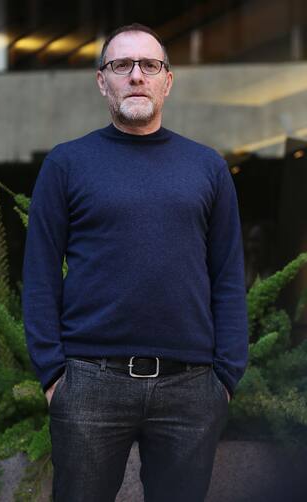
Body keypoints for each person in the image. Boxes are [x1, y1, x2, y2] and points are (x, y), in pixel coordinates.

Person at [22, 22, 248, 502]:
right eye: (121, 65)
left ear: (168, 80)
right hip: (87, 383)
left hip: (191, 388)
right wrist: (53, 375)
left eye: (149, 64)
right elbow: (40, 276)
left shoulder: (207, 167)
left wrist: (226, 376)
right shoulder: (66, 164)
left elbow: (228, 276)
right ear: (102, 81)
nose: (136, 76)